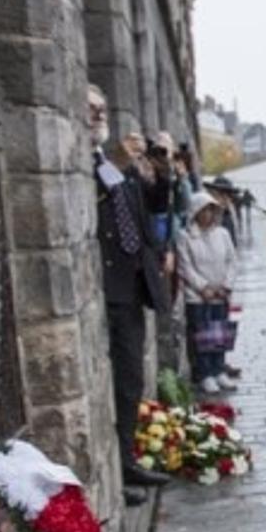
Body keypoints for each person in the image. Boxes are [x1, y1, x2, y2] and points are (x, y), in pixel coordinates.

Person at [87, 85, 173, 503]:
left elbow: (157, 203)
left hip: (134, 283)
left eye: (102, 109)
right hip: (110, 284)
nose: (98, 116)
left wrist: (162, 166)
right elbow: (89, 207)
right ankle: (119, 472)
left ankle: (127, 459)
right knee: (120, 380)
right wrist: (121, 166)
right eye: (90, 110)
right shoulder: (89, 163)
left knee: (131, 379)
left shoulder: (113, 163)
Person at [177, 191, 239, 395]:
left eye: (212, 210)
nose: (209, 215)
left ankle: (219, 368)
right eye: (204, 211)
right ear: (195, 213)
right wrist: (203, 287)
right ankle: (205, 373)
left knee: (219, 331)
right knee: (202, 334)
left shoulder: (223, 234)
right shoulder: (185, 237)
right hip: (198, 295)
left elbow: (232, 260)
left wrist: (226, 286)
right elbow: (185, 266)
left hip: (221, 293)